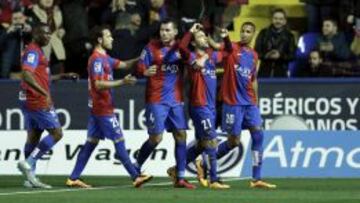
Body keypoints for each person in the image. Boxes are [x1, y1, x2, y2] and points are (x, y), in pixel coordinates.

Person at [65, 26, 152, 188]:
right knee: (119, 140)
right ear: (99, 40)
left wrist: (141, 58)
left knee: (91, 143)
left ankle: (73, 177)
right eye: (108, 36)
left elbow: (124, 65)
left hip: (98, 109)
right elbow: (98, 84)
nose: (111, 39)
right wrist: (122, 82)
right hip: (102, 108)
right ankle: (135, 176)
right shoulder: (96, 59)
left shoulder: (106, 58)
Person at [200, 22, 277, 189]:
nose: (244, 34)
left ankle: (256, 178)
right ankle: (205, 160)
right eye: (242, 31)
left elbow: (253, 79)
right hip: (233, 103)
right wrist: (218, 36)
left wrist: (256, 101)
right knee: (234, 141)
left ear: (253, 34)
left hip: (249, 102)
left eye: (248, 31)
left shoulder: (254, 55)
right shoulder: (231, 47)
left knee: (258, 135)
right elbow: (217, 45)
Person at [167, 23, 230, 189]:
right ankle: (214, 180)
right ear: (194, 43)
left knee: (202, 143)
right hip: (199, 105)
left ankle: (176, 170)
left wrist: (226, 37)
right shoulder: (191, 57)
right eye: (201, 37)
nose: (205, 38)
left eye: (205, 36)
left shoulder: (211, 57)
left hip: (210, 106)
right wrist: (190, 32)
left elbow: (228, 52)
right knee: (212, 141)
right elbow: (181, 47)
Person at [135, 18, 195, 189]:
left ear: (175, 32)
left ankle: (180, 177)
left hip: (175, 100)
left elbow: (190, 59)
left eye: (168, 30)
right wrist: (144, 71)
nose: (164, 33)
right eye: (162, 30)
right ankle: (136, 166)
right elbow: (139, 68)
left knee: (181, 135)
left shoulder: (181, 49)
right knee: (156, 138)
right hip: (156, 99)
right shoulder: (151, 48)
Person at [17, 23, 78, 189]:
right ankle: (29, 162)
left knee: (34, 135)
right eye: (44, 33)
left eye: (49, 33)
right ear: (36, 34)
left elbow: (42, 76)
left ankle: (30, 178)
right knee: (57, 133)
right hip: (37, 99)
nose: (48, 36)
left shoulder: (37, 51)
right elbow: (27, 75)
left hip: (28, 99)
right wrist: (44, 92)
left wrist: (63, 75)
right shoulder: (33, 51)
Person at [255, 8, 296, 78]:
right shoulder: (263, 33)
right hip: (264, 71)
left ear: (284, 21)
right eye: (276, 18)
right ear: (272, 19)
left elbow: (292, 56)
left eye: (280, 19)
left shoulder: (290, 36)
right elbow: (255, 52)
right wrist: (266, 55)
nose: (278, 21)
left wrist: (280, 56)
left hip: (281, 72)